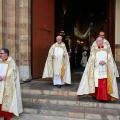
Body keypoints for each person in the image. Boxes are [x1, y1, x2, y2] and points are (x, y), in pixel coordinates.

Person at [77, 36, 119, 101]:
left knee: (104, 83)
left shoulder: (107, 49)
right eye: (98, 41)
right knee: (97, 83)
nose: (100, 42)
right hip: (97, 68)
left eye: (101, 41)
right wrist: (98, 62)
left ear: (103, 41)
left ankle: (104, 97)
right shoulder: (94, 50)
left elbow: (110, 59)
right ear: (96, 42)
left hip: (105, 68)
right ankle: (97, 96)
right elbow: (92, 60)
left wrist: (105, 62)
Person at [0, 48, 23, 120]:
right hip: (0, 84)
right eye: (0, 53)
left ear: (6, 54)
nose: (0, 55)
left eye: (1, 53)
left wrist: (5, 77)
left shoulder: (11, 62)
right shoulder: (0, 61)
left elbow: (14, 73)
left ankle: (6, 115)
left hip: (7, 85)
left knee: (6, 100)